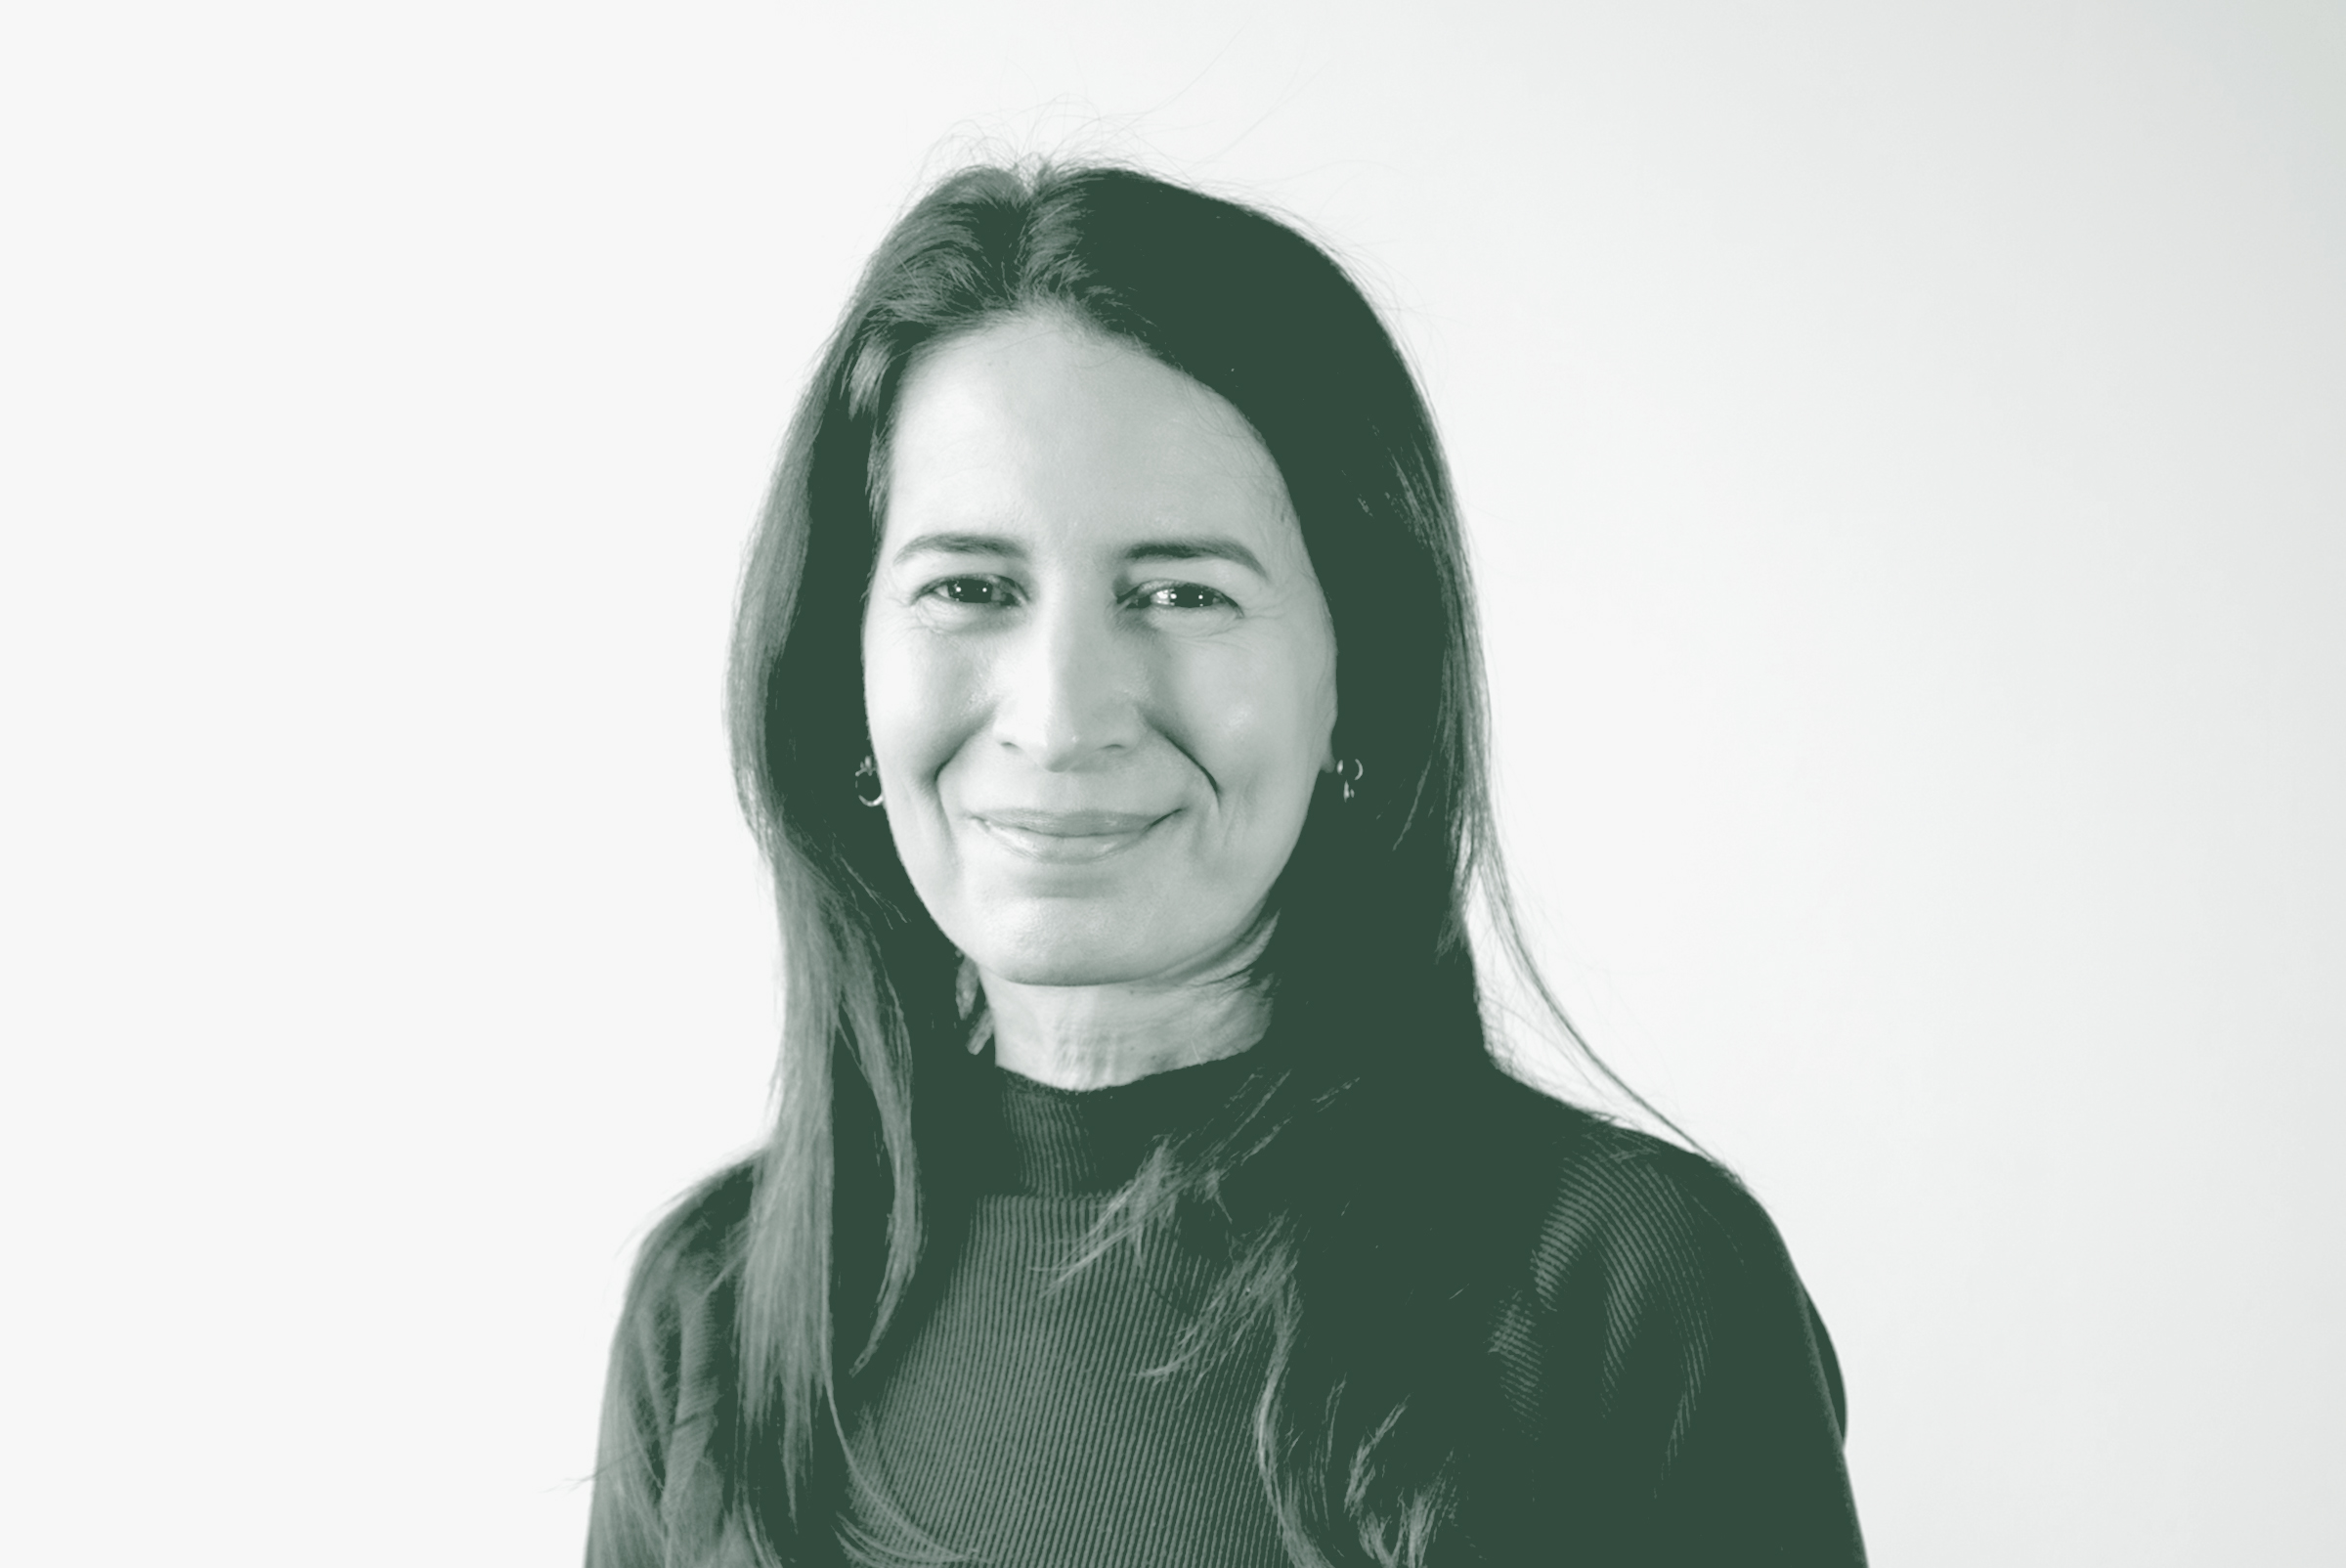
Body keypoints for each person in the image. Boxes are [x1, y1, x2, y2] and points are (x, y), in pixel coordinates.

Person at [586, 161, 1867, 1568]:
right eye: (968, 587)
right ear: (844, 674)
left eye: (1183, 592)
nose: (1063, 716)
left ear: (1358, 685)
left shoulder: (1626, 1288)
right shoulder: (711, 1313)